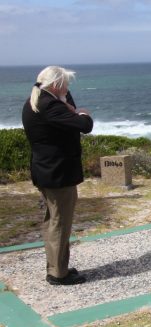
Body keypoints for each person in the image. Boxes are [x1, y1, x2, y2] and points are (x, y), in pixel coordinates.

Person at [22, 66, 93, 285]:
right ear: (56, 85)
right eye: (66, 84)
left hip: (47, 171)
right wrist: (81, 113)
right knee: (60, 223)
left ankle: (56, 266)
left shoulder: (36, 101)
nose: (68, 87)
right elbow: (85, 125)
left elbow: (67, 104)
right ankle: (58, 273)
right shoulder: (50, 105)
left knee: (53, 221)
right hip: (58, 173)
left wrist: (65, 99)